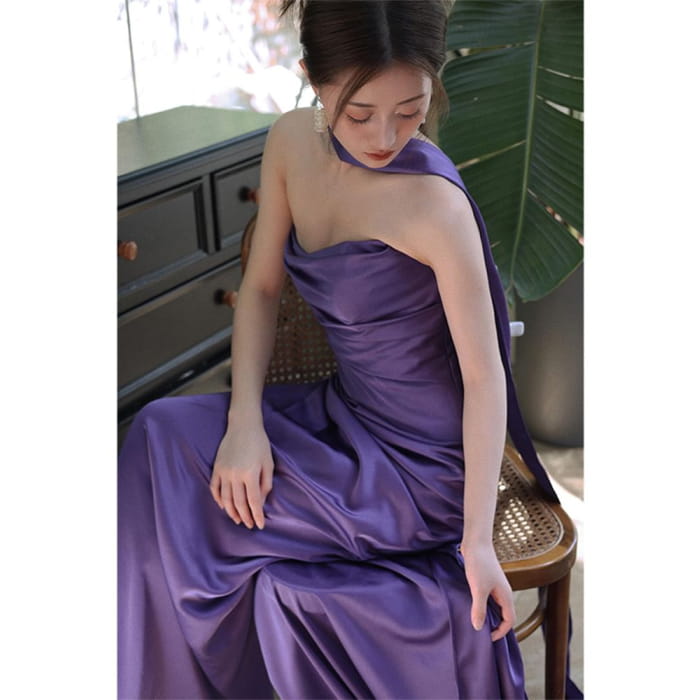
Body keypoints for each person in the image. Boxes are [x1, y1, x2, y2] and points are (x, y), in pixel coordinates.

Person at [118, 1, 561, 697]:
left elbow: (484, 379)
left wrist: (477, 540)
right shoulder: (290, 142)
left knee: (193, 517)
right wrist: (243, 421)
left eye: (411, 111)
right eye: (360, 114)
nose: (386, 136)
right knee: (155, 436)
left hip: (420, 470)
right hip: (342, 417)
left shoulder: (434, 206)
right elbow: (260, 290)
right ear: (311, 78)